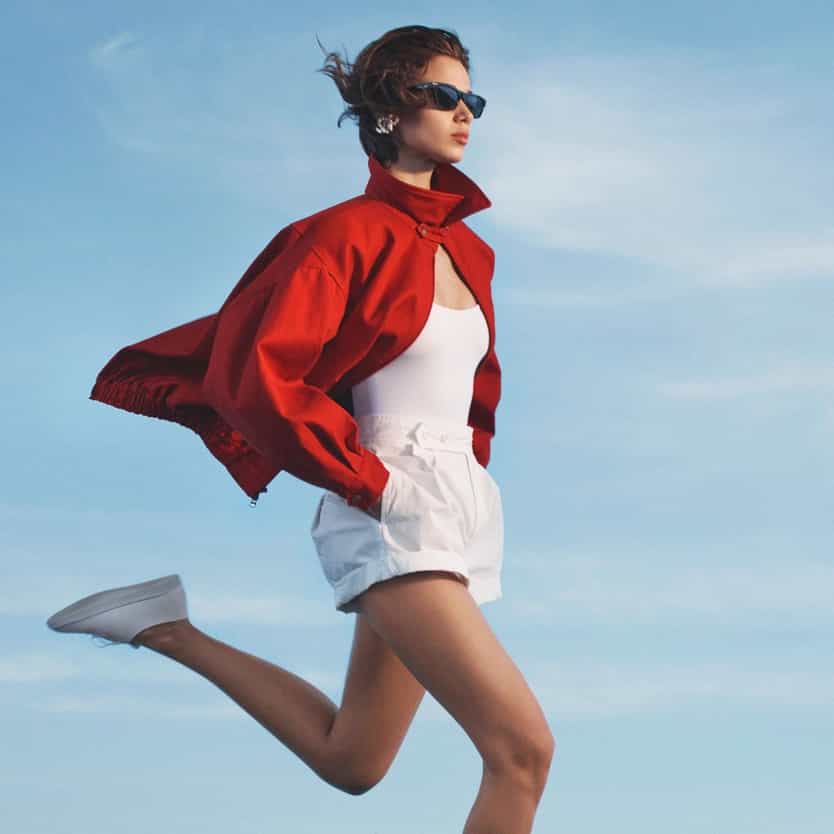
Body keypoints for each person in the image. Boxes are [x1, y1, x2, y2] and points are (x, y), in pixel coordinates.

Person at [45, 25, 555, 834]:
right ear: (389, 110)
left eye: (473, 100)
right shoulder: (337, 236)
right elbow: (260, 374)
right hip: (386, 497)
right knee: (521, 752)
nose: (465, 114)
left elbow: (473, 392)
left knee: (353, 759)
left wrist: (469, 481)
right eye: (443, 96)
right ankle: (169, 623)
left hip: (456, 499)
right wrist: (372, 482)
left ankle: (166, 627)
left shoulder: (471, 251)